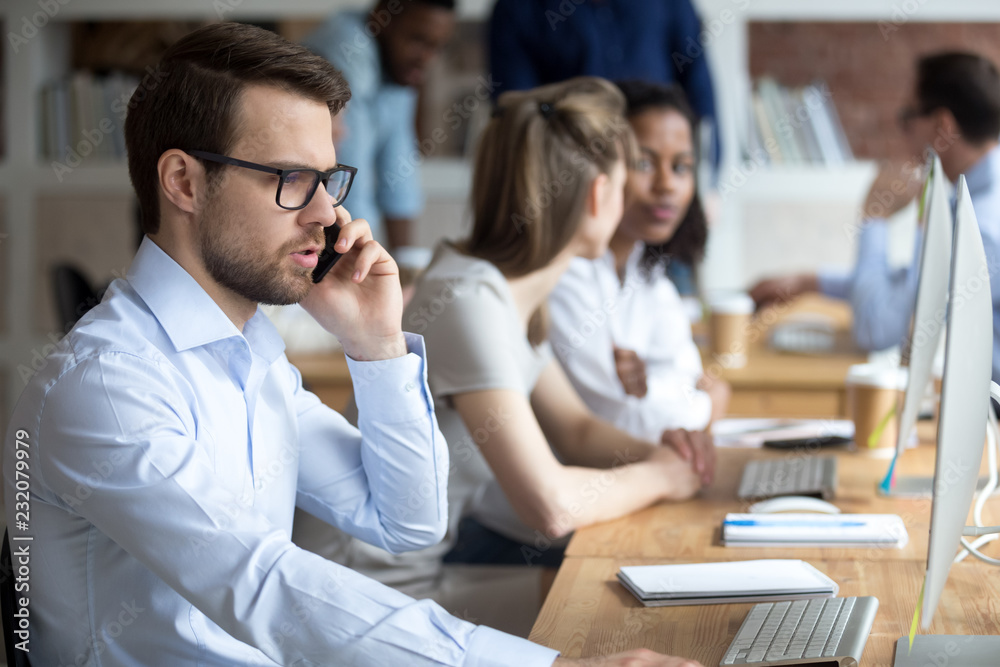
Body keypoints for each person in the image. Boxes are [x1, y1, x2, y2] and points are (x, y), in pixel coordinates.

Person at [3, 23, 701, 667]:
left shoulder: (251, 354)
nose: (328, 215)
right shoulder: (106, 384)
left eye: (328, 180)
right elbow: (262, 585)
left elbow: (408, 520)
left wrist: (378, 345)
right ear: (184, 181)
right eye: (290, 180)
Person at [294, 76, 714, 640]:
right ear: (598, 194)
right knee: (625, 620)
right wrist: (665, 476)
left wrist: (670, 454)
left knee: (628, 606)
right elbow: (551, 506)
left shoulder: (508, 294)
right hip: (362, 605)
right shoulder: (471, 299)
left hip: (412, 581)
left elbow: (580, 430)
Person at [750, 51, 1000, 383]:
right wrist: (810, 283)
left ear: (942, 126)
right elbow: (912, 289)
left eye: (907, 117)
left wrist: (874, 215)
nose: (903, 134)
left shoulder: (981, 231)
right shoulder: (974, 196)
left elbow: (878, 326)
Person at [548, 81, 730, 442]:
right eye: (644, 163)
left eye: (681, 167)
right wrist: (712, 404)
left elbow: (685, 374)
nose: (666, 185)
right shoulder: (563, 274)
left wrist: (651, 388)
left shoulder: (648, 275)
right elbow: (618, 421)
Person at [488, 0, 720, 176]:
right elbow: (517, 113)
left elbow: (698, 85)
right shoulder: (518, 7)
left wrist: (708, 177)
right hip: (570, 176)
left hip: (654, 174)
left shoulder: (670, 4)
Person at [304, 0, 456, 249]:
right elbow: (350, 179)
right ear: (381, 18)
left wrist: (406, 263)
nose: (427, 59)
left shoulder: (399, 67)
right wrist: (367, 263)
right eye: (418, 40)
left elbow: (398, 170)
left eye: (437, 47)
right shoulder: (347, 48)